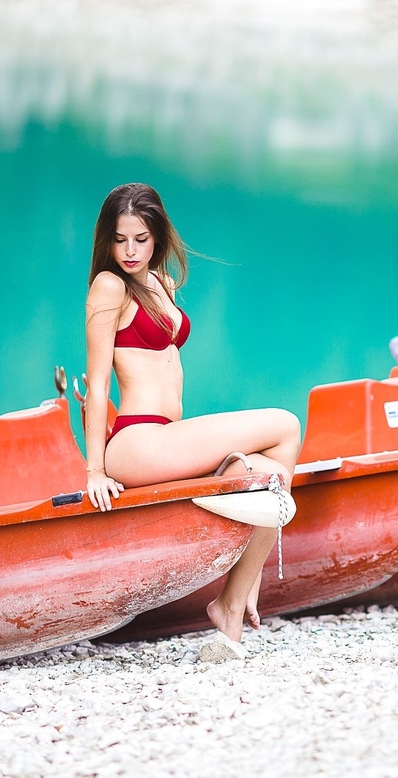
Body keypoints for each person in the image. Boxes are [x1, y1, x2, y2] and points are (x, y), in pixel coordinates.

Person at [82, 183, 301, 644]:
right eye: (120, 240)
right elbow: (98, 384)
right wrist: (95, 471)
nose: (129, 250)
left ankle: (229, 607)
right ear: (107, 240)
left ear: (157, 236)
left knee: (270, 480)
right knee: (286, 424)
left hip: (167, 437)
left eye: (141, 239)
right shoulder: (109, 287)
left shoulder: (159, 282)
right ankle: (253, 578)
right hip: (137, 440)